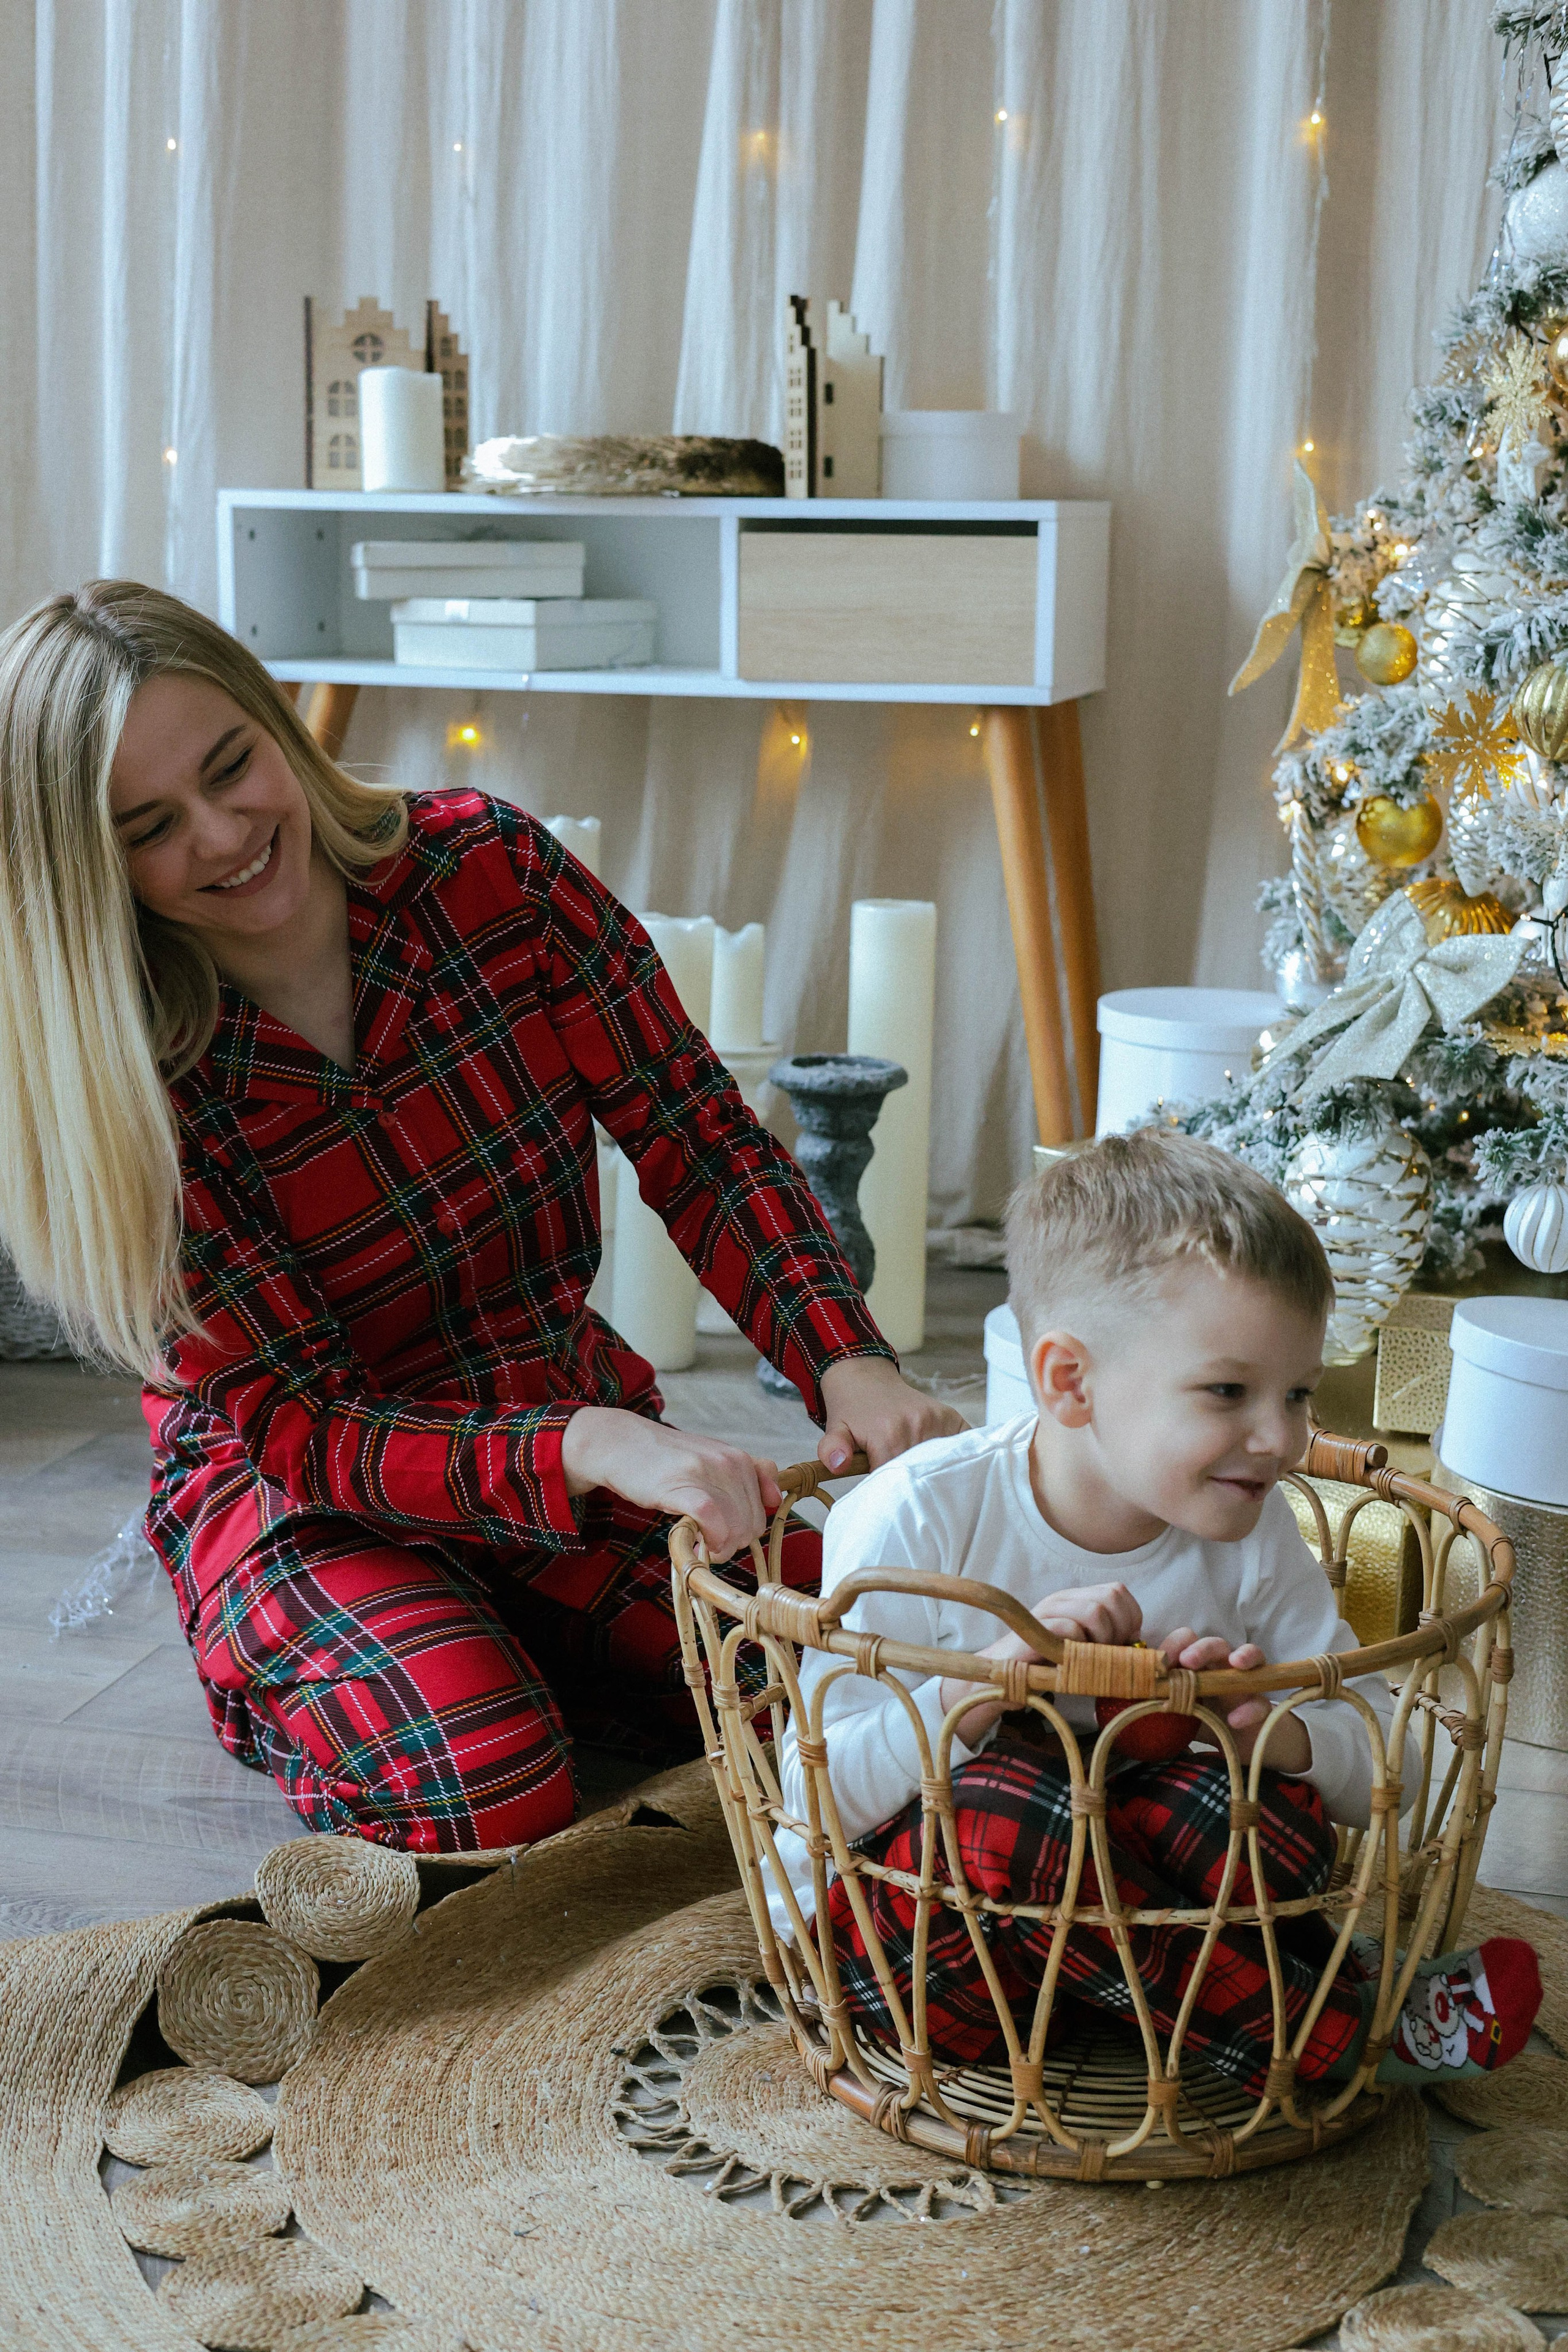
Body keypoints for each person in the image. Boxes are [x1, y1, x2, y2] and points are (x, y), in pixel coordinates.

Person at [0, 580, 962, 1852]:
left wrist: (845, 1360)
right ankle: (314, 1665)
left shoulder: (490, 871)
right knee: (491, 1784)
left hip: (545, 1404)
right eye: (149, 827)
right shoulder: (117, 1077)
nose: (225, 832)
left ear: (274, 722)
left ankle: (512, 1637)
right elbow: (308, 1428)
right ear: (87, 872)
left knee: (879, 1663)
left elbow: (697, 1139)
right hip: (306, 1495)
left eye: (233, 765)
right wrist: (589, 1447)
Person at [775, 1131, 1540, 2096]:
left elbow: (1394, 1771)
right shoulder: (918, 1518)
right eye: (1229, 1391)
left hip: (1108, 1944)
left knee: (1265, 1817)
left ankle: (1228, 2006)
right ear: (1071, 1383)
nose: (1283, 1437)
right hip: (908, 1947)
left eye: (1297, 1392)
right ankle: (1346, 2028)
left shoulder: (1251, 1535)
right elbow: (808, 1798)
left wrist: (1273, 1731)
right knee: (1012, 1813)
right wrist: (982, 1684)